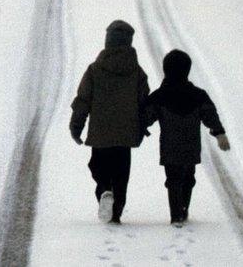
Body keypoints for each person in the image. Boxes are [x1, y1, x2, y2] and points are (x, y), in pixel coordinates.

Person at [70, 20, 149, 224]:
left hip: (100, 133)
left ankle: (104, 190)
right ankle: (117, 212)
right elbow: (144, 102)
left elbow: (83, 100)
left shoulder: (95, 69)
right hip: (126, 133)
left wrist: (76, 126)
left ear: (108, 41)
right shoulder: (137, 71)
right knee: (121, 173)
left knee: (98, 166)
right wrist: (143, 126)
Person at [144, 49, 230, 227]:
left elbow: (146, 117)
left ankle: (176, 215)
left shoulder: (160, 96)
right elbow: (209, 115)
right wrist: (219, 132)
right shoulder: (198, 95)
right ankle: (184, 208)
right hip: (191, 146)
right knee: (188, 178)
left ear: (166, 69)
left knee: (173, 179)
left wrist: (136, 131)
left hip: (169, 147)